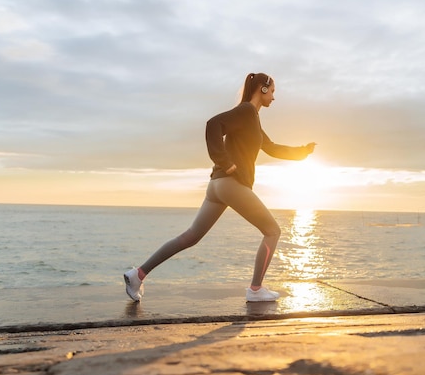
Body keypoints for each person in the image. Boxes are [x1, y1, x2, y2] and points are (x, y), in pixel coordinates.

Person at [124, 72, 316, 303]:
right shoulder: (245, 111)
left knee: (190, 236)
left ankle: (138, 274)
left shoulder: (252, 119)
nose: (274, 97)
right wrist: (225, 162)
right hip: (231, 183)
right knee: (272, 231)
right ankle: (256, 289)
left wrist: (303, 151)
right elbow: (213, 124)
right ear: (263, 89)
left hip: (217, 186)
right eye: (273, 91)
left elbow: (272, 148)